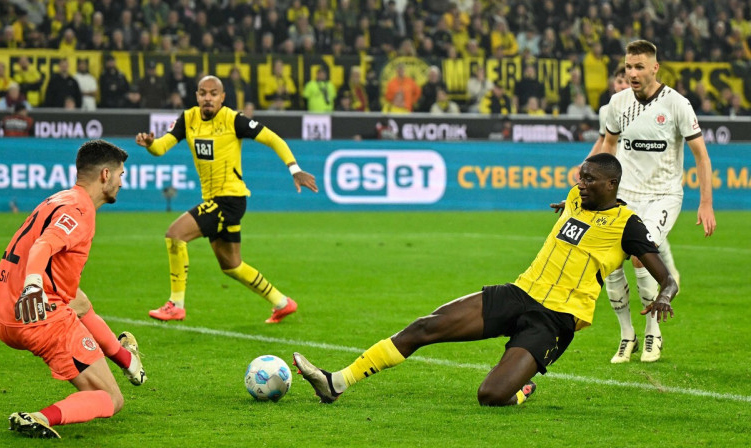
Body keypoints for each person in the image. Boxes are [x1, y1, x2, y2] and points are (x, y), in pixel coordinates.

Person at [295, 153, 677, 406]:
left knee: (491, 396)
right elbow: (575, 222)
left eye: (589, 180)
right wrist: (568, 207)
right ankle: (337, 382)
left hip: (556, 319)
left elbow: (666, 276)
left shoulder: (628, 225)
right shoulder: (577, 198)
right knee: (426, 327)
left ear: (611, 185)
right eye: (579, 177)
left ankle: (521, 388)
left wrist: (665, 295)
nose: (580, 184)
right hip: (520, 292)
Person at [0, 140, 146, 439]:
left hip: (2, 310)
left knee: (79, 300)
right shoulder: (79, 211)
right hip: (38, 315)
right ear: (105, 175)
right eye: (121, 175)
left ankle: (128, 359)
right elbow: (43, 246)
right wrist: (34, 286)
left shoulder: (59, 199)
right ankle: (37, 417)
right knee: (112, 399)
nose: (122, 182)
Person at [135, 76, 318, 323]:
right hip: (216, 200)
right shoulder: (188, 119)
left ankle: (176, 304)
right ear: (197, 96)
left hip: (230, 199)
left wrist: (294, 169)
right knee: (231, 265)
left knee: (175, 234)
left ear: (222, 97)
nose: (208, 97)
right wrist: (149, 144)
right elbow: (160, 148)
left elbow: (273, 138)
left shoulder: (234, 120)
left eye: (213, 93)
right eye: (203, 93)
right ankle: (282, 302)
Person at [590, 40, 716, 363]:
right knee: (610, 260)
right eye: (629, 67)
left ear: (654, 68)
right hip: (625, 195)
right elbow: (609, 144)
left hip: (663, 195)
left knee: (638, 257)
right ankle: (626, 334)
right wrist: (590, 185)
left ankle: (652, 332)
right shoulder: (618, 104)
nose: (632, 73)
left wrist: (706, 203)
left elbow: (701, 155)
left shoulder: (677, 105)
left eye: (639, 67)